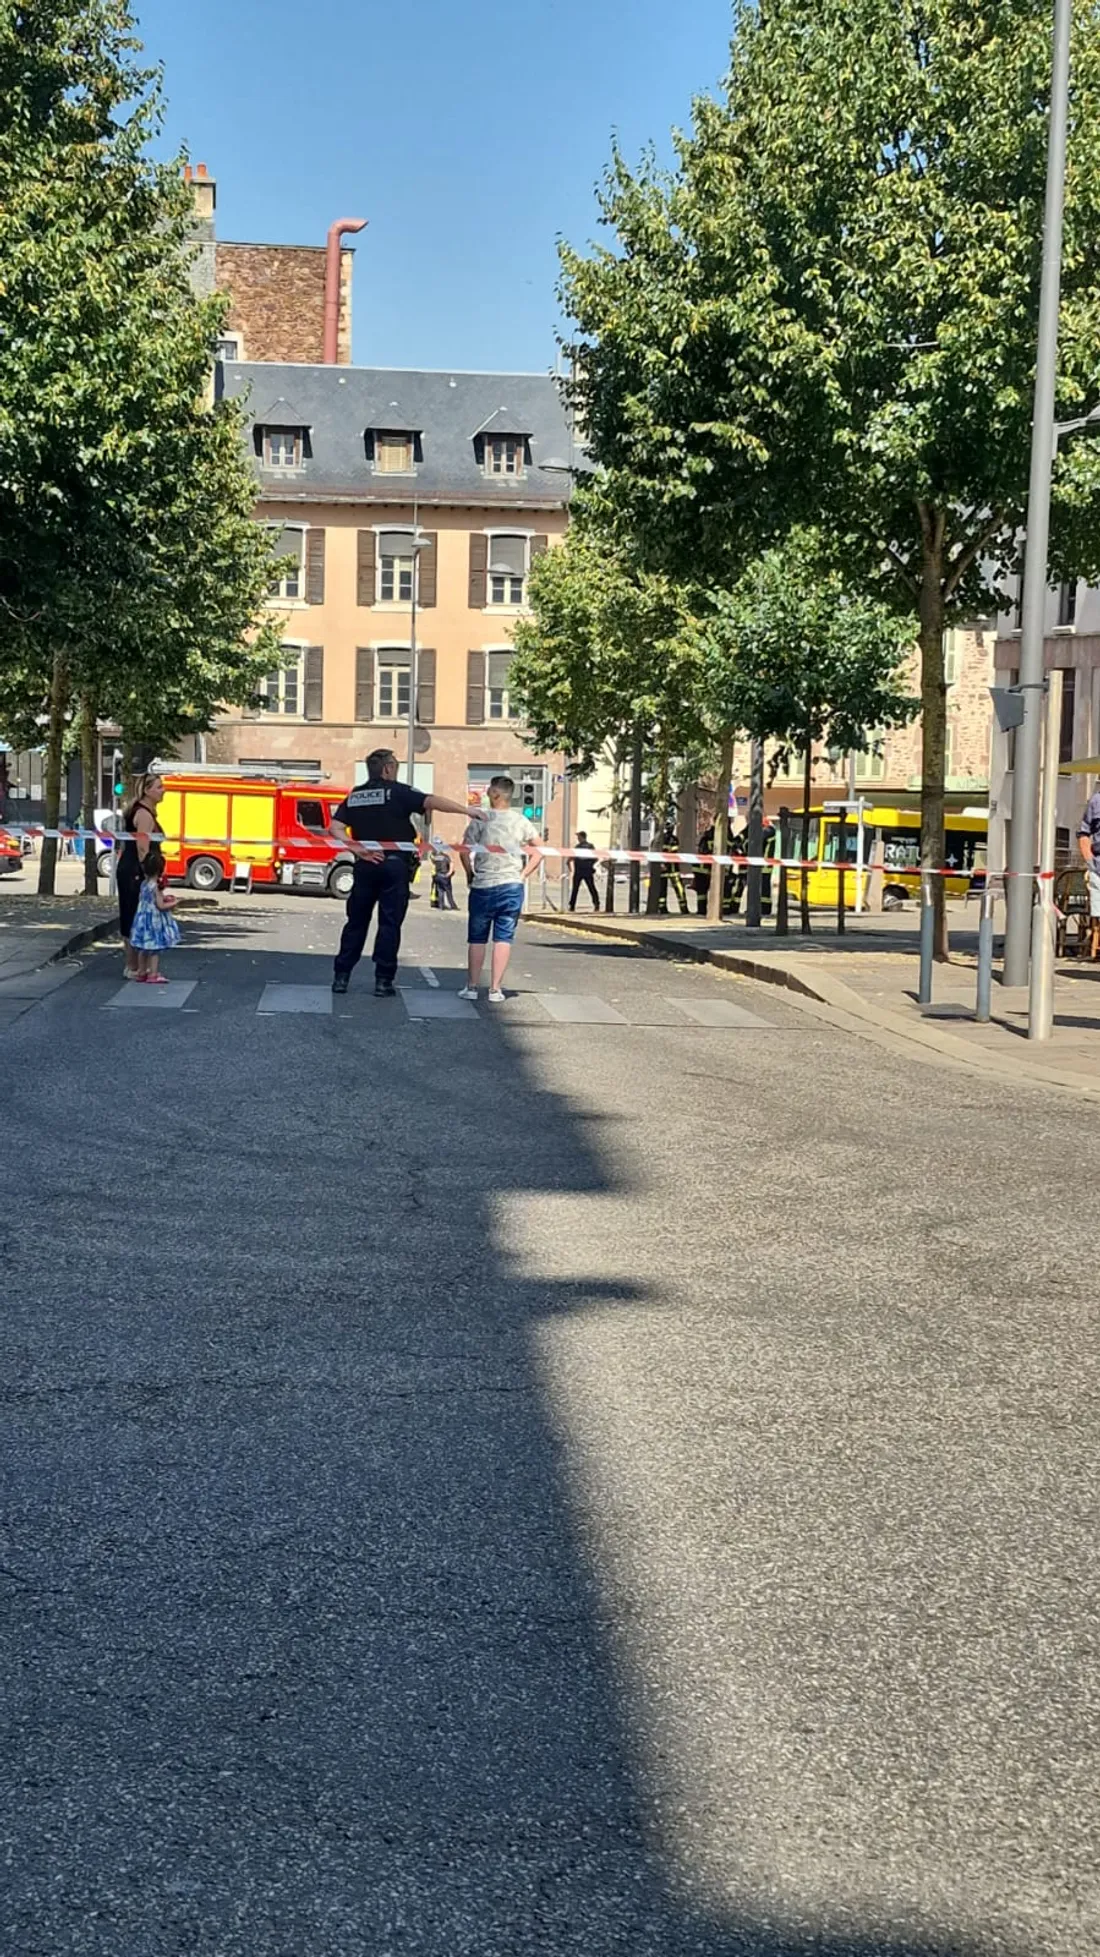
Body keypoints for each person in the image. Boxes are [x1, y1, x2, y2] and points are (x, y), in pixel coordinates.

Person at [329, 749, 471, 996]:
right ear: (387, 769)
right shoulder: (398, 791)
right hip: (394, 866)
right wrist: (467, 811)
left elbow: (335, 827)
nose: (396, 771)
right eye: (395, 766)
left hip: (365, 866)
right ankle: (383, 981)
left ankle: (341, 977)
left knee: (356, 922)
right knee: (390, 924)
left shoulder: (356, 795)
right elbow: (431, 801)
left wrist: (359, 849)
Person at [458, 775, 542, 1002]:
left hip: (484, 884)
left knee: (477, 938)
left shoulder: (480, 819)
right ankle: (495, 989)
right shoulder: (521, 821)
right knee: (503, 937)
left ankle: (472, 987)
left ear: (491, 794)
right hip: (511, 885)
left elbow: (464, 851)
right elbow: (540, 849)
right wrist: (523, 874)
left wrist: (470, 873)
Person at [117, 772, 164, 978]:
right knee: (134, 915)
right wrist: (149, 876)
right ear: (147, 790)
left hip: (131, 869)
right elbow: (142, 847)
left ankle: (135, 966)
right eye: (159, 787)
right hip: (135, 871)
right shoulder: (144, 815)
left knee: (133, 914)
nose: (163, 791)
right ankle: (133, 967)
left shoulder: (142, 811)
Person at [127, 845, 180, 983]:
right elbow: (160, 906)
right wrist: (174, 903)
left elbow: (146, 900)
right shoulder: (155, 886)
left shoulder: (144, 884)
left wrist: (163, 898)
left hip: (142, 919)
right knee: (154, 948)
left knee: (142, 947)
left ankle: (141, 971)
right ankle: (153, 974)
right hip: (153, 921)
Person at [1077, 782, 1100, 929]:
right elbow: (1084, 833)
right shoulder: (1096, 801)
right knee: (1098, 919)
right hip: (1098, 867)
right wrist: (1090, 861)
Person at [569, 831, 600, 911]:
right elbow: (595, 858)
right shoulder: (590, 846)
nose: (578, 838)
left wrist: (571, 867)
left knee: (575, 889)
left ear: (582, 837)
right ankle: (596, 904)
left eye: (578, 837)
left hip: (579, 870)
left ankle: (572, 906)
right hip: (587, 870)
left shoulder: (577, 847)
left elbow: (572, 858)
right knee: (591, 888)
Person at [430, 847, 457, 911]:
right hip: (444, 875)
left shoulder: (436, 858)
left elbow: (433, 862)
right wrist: (449, 873)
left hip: (438, 875)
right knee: (448, 891)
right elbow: (451, 864)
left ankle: (441, 906)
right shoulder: (446, 857)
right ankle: (452, 905)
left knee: (440, 891)